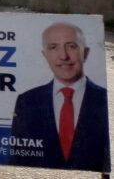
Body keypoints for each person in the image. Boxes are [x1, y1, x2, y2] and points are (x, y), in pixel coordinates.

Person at [10, 23, 110, 172]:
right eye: (53, 47)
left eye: (71, 46)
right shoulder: (27, 101)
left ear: (86, 52)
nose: (63, 56)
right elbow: (18, 156)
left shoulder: (102, 98)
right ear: (45, 55)